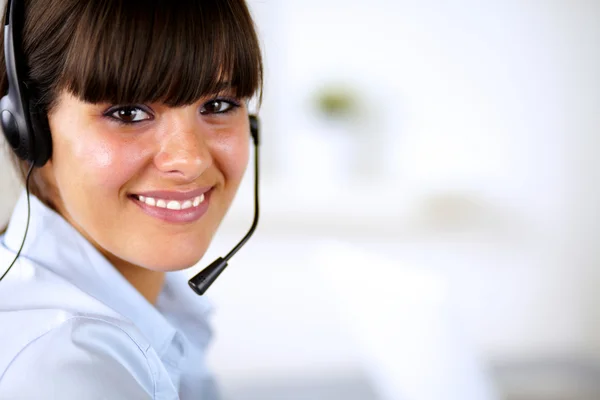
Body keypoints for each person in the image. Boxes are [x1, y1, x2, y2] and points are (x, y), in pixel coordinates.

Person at [0, 0, 263, 398]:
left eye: (219, 105)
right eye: (128, 113)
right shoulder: (65, 368)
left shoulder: (162, 308)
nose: (189, 160)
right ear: (29, 129)